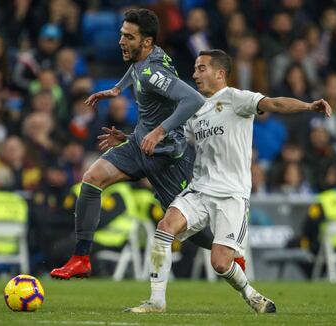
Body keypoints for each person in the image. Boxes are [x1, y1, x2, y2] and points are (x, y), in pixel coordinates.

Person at [122, 49, 331, 313]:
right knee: (165, 227)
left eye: (201, 68)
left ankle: (251, 294)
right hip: (199, 189)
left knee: (220, 263)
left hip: (232, 194)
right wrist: (130, 140)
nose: (194, 74)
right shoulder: (194, 109)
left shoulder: (237, 99)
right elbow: (170, 137)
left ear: (220, 73)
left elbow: (275, 103)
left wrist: (309, 105)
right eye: (195, 68)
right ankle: (156, 301)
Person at [50, 8, 217, 280]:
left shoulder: (154, 70)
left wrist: (159, 132)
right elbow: (136, 69)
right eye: (121, 34)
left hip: (167, 158)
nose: (121, 41)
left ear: (147, 41)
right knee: (91, 180)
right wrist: (117, 88)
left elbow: (194, 100)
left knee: (190, 231)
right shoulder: (146, 56)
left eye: (128, 36)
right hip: (139, 146)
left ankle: (231, 248)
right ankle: (80, 259)